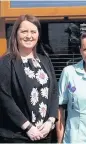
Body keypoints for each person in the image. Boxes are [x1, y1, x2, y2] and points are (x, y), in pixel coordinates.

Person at [0, 14, 58, 143]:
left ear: (38, 34)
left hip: (45, 134)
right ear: (16, 34)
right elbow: (5, 98)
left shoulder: (44, 60)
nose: (29, 36)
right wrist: (27, 127)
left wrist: (50, 121)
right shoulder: (6, 62)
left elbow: (54, 91)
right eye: (24, 31)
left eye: (33, 31)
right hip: (18, 136)